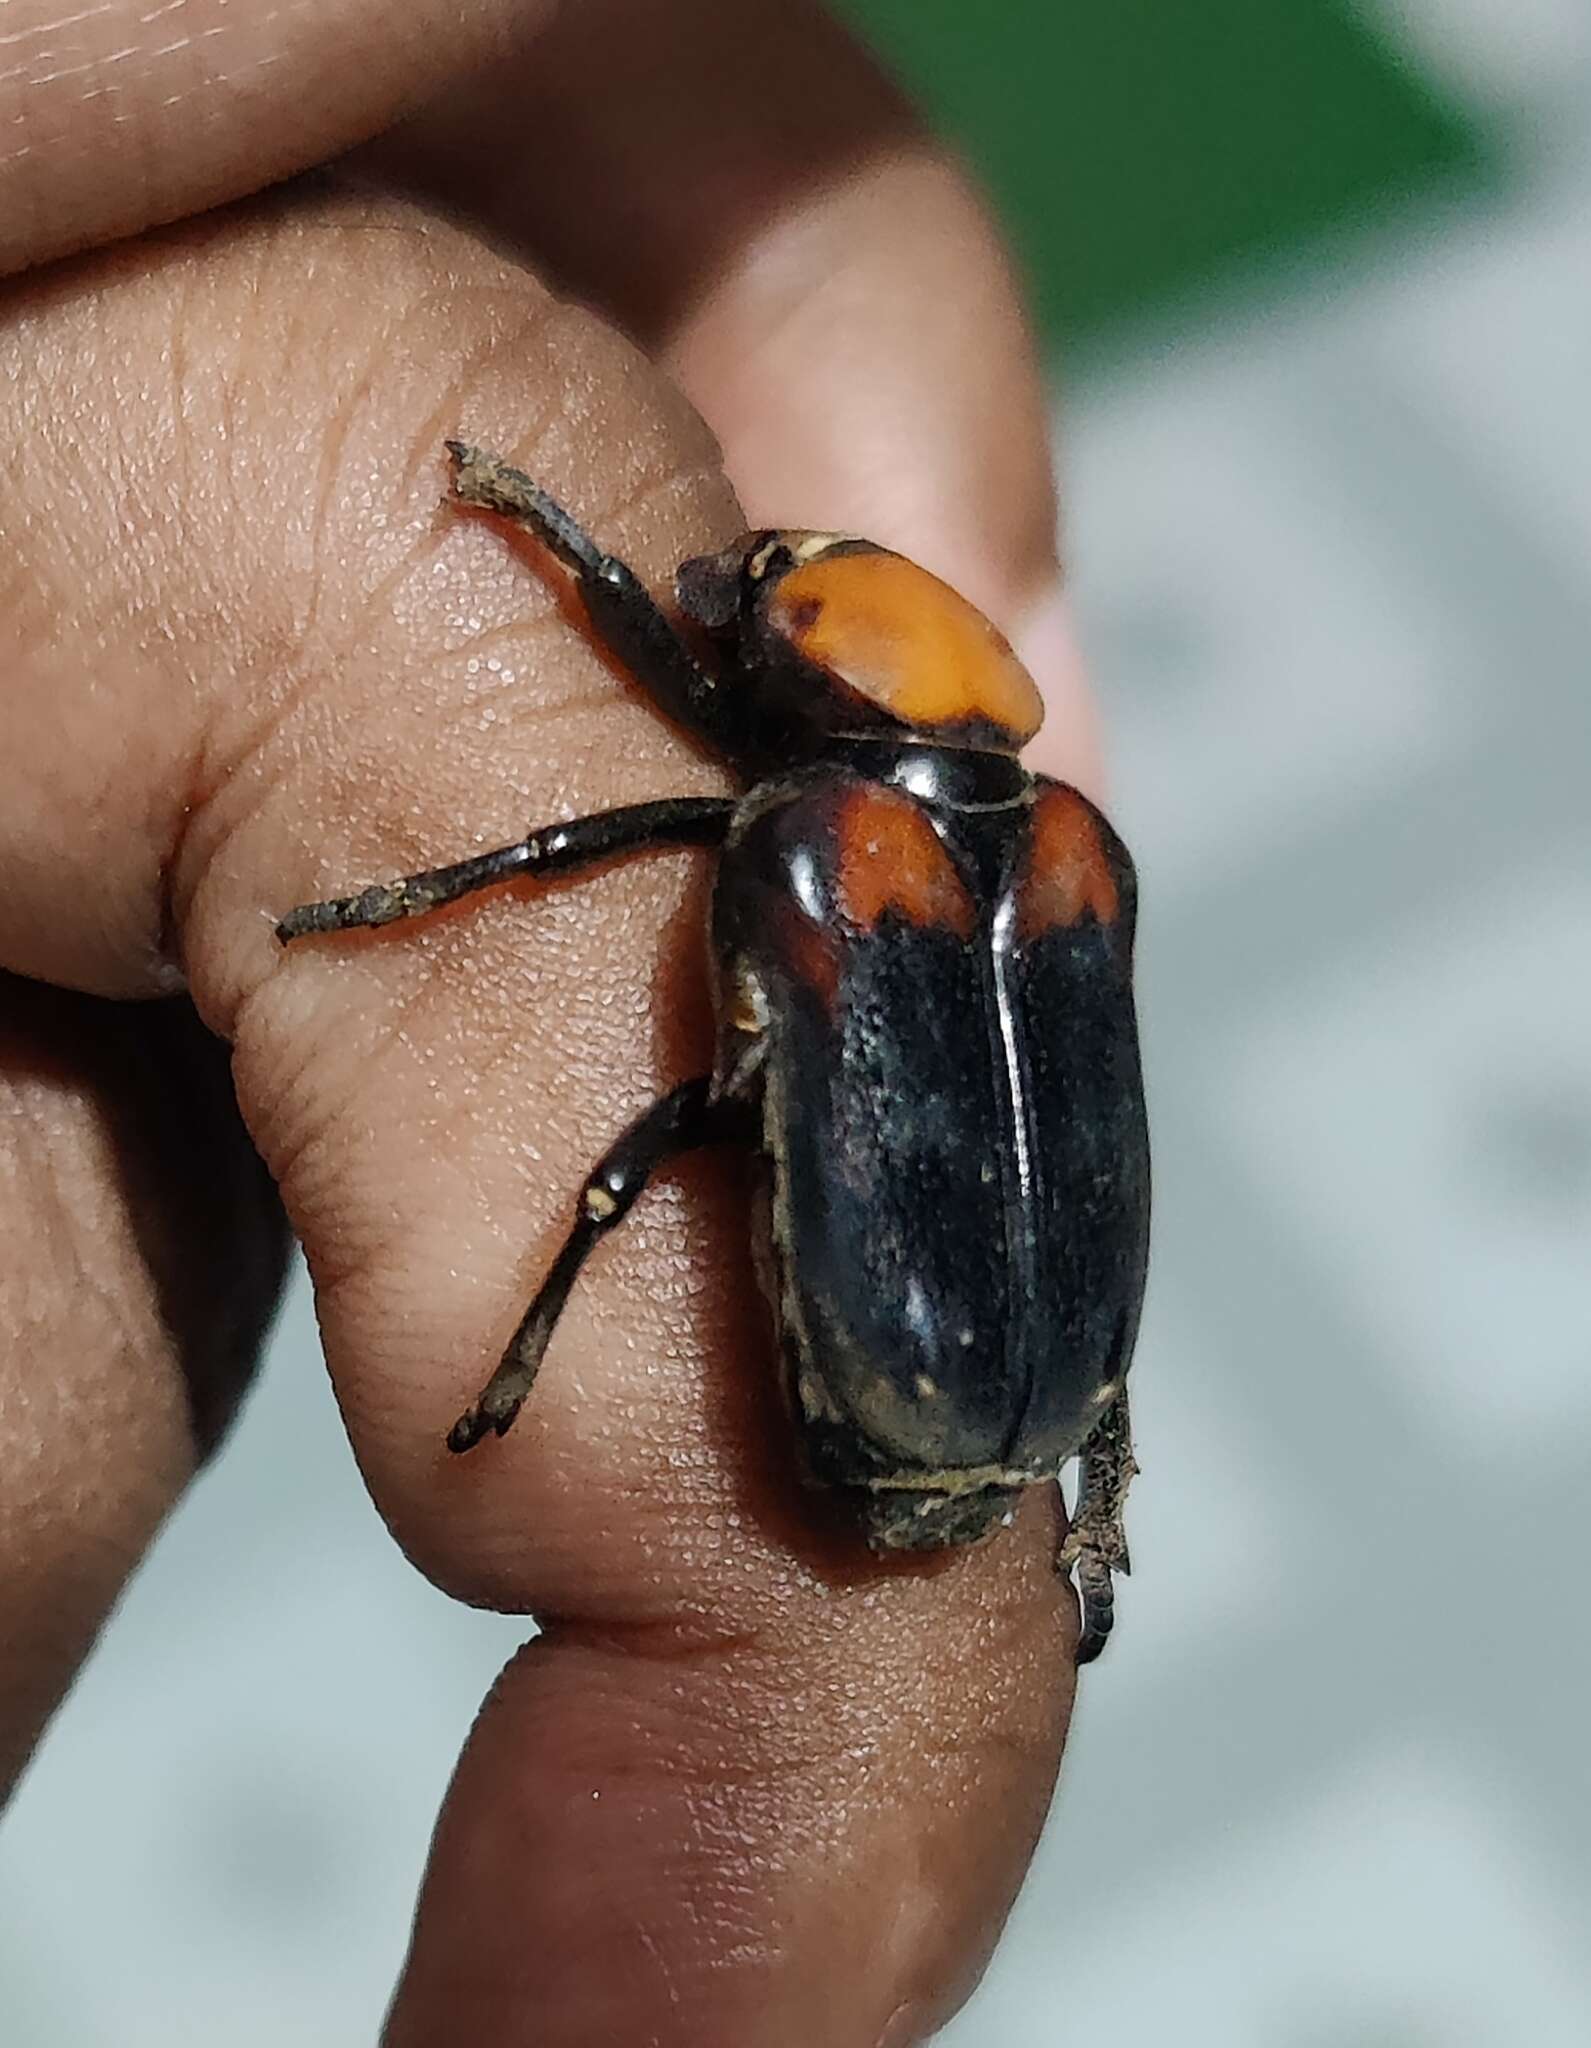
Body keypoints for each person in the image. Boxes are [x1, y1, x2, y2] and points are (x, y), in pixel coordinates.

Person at [0, 4, 1103, 2041]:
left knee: (620, 1148)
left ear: (804, 680)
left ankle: (544, 1341)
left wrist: (531, 524)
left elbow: (577, 821)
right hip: (991, 1397)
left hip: (902, 1393)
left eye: (760, 601)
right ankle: (1076, 1451)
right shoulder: (1065, 852)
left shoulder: (811, 840)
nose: (728, 593)